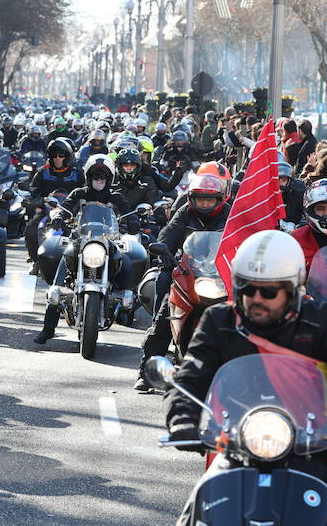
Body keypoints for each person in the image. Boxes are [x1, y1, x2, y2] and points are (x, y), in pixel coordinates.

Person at [164, 229, 327, 526]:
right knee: (197, 513)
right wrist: (182, 421)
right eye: (246, 289)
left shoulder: (323, 321)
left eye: (268, 291)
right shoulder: (219, 321)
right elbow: (189, 378)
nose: (256, 298)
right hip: (235, 446)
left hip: (311, 449)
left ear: (293, 288)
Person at [133, 174, 231, 391]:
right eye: (200, 199)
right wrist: (164, 250)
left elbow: (243, 238)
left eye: (210, 199)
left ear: (220, 199)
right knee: (163, 319)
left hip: (221, 275)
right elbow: (168, 234)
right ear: (191, 198)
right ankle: (146, 374)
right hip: (187, 271)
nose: (205, 204)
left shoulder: (230, 214)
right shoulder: (185, 212)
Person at [35, 154, 136, 344]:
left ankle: (125, 308)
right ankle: (48, 329)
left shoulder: (115, 197)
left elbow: (127, 210)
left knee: (128, 263)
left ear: (110, 178)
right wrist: (58, 216)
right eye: (96, 175)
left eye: (103, 175)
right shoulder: (79, 193)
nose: (100, 179)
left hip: (108, 242)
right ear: (88, 177)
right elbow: (65, 207)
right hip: (80, 241)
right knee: (59, 278)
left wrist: (134, 220)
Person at [22, 138, 84, 271]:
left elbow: (85, 190)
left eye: (61, 155)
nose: (57, 158)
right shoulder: (42, 172)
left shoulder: (77, 173)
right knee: (31, 230)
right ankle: (37, 260)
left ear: (67, 157)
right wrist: (36, 200)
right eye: (54, 155)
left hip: (73, 213)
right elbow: (34, 190)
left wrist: (81, 204)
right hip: (48, 211)